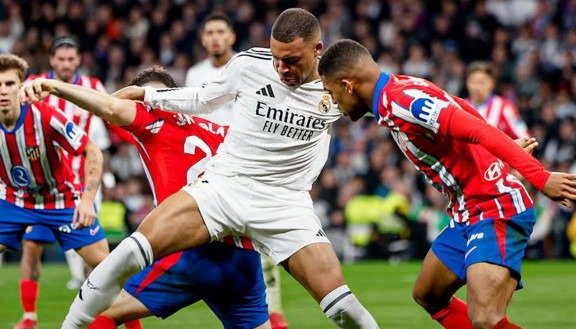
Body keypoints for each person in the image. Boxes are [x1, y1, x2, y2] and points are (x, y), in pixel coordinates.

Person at [26, 8, 379, 329]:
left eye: (292, 60)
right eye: (277, 60)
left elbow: (388, 104)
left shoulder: (338, 85)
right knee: (129, 252)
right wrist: (149, 97)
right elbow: (202, 98)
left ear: (318, 50)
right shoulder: (250, 65)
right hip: (226, 186)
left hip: (285, 204)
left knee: (342, 306)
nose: (282, 69)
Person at [317, 39, 576, 329]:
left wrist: (541, 177)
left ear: (348, 85)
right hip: (465, 211)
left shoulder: (402, 103)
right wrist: (495, 154)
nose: (333, 102)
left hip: (494, 207)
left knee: (486, 320)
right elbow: (461, 108)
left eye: (331, 92)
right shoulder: (399, 88)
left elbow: (476, 128)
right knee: (429, 294)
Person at [26, 65, 271, 329]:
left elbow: (109, 108)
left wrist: (54, 87)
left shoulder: (152, 121)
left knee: (103, 311)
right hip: (243, 252)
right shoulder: (218, 130)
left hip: (190, 245)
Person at [186, 13, 288, 327]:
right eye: (210, 32)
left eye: (221, 31)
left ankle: (275, 310)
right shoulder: (195, 74)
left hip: (250, 163)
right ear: (203, 39)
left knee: (261, 240)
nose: (215, 37)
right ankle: (242, 310)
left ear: (231, 36)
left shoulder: (248, 66)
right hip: (211, 169)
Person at [0, 54, 109, 328]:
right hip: (15, 200)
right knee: (31, 251)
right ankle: (28, 318)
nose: (2, 90)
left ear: (21, 85)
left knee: (109, 269)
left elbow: (91, 150)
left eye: (9, 83)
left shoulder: (44, 115)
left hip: (61, 200)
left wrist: (87, 200)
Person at [465, 61, 530, 139]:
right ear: (467, 83)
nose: (477, 87)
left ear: (492, 84)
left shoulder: (505, 107)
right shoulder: (460, 107)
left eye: (482, 82)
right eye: (473, 82)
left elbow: (525, 138)